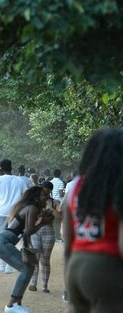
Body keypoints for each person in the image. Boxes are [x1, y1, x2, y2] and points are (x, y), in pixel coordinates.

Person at [62, 128, 123, 312]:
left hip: (76, 266)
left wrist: (69, 282)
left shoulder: (76, 187)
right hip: (106, 268)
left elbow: (67, 244)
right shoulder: (118, 187)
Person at [0, 186, 52, 313]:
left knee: (28, 268)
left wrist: (42, 220)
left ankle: (16, 303)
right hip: (3, 242)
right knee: (27, 268)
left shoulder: (30, 208)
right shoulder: (32, 208)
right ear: (36, 198)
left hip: (1, 241)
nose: (46, 197)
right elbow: (29, 230)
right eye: (43, 195)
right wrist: (42, 223)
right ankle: (12, 305)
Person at [0, 159, 29, 274]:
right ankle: (9, 265)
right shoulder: (19, 180)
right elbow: (26, 194)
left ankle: (1, 264)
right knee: (12, 237)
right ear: (11, 168)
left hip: (2, 211)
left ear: (0, 169)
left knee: (0, 238)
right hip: (15, 213)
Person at [28, 180, 59, 293]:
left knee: (45, 260)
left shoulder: (54, 202)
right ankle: (33, 283)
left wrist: (50, 208)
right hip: (36, 231)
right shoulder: (35, 202)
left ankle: (44, 285)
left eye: (45, 190)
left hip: (48, 231)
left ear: (49, 191)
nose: (43, 192)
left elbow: (60, 216)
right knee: (35, 258)